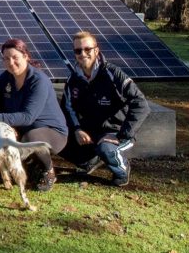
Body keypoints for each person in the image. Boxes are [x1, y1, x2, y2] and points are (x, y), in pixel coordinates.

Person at [0, 38, 69, 191]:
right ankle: (30, 165)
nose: (10, 62)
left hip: (51, 134)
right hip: (22, 129)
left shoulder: (39, 81)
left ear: (26, 56)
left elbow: (27, 117)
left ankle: (48, 170)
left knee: (31, 139)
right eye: (6, 59)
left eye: (15, 57)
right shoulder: (8, 77)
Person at [61, 30, 150, 187]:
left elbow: (140, 103)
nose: (83, 54)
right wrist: (76, 129)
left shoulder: (113, 74)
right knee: (57, 139)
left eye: (87, 49)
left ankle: (122, 170)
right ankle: (89, 161)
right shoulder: (73, 79)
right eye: (78, 50)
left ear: (96, 50)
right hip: (90, 132)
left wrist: (122, 135)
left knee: (107, 149)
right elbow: (68, 108)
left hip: (115, 131)